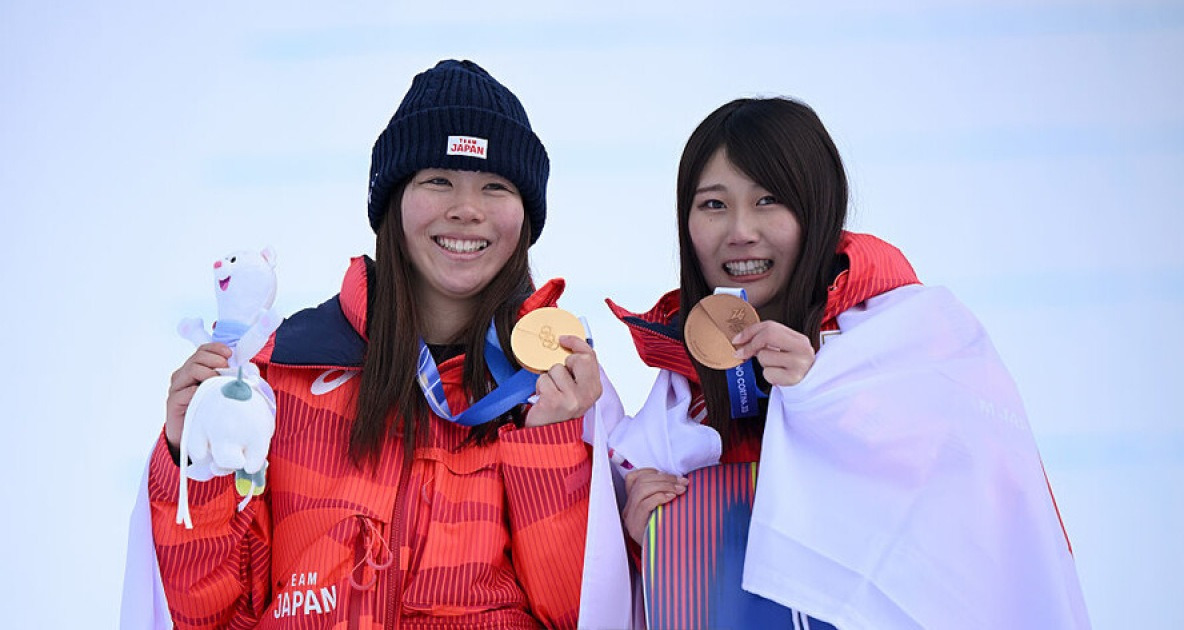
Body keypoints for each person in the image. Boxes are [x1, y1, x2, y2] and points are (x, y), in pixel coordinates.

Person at [583, 97, 1090, 629]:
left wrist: (825, 396)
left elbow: (972, 527)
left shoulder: (916, 336)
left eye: (769, 200)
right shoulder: (680, 397)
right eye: (713, 204)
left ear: (818, 209)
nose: (739, 230)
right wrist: (643, 541)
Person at [130, 59, 600, 629]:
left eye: (495, 186)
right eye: (438, 180)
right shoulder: (283, 373)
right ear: (392, 203)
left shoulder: (560, 384)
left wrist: (548, 444)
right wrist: (193, 462)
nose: (467, 208)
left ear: (526, 215)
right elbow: (207, 615)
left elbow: (582, 615)